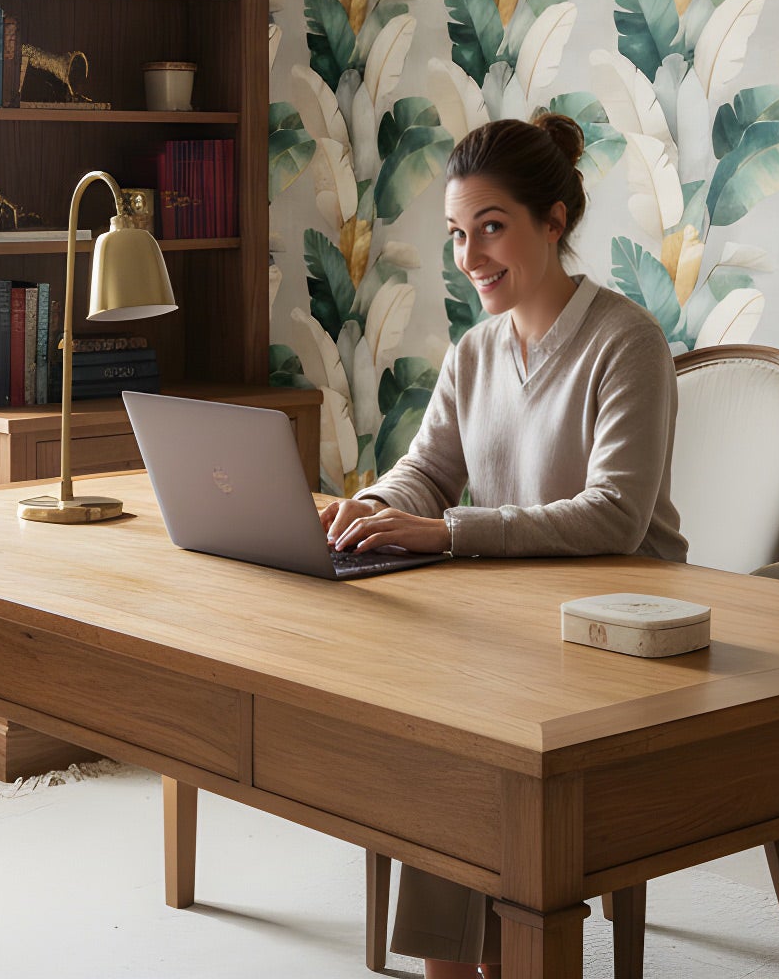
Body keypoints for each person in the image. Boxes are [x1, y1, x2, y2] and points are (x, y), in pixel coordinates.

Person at [322, 112, 686, 979]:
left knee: (466, 734)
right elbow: (426, 473)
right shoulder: (474, 351)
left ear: (553, 222)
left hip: (623, 625)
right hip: (520, 616)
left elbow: (614, 519)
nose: (470, 256)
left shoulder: (625, 342)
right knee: (441, 729)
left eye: (491, 227)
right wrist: (362, 512)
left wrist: (447, 533)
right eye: (457, 234)